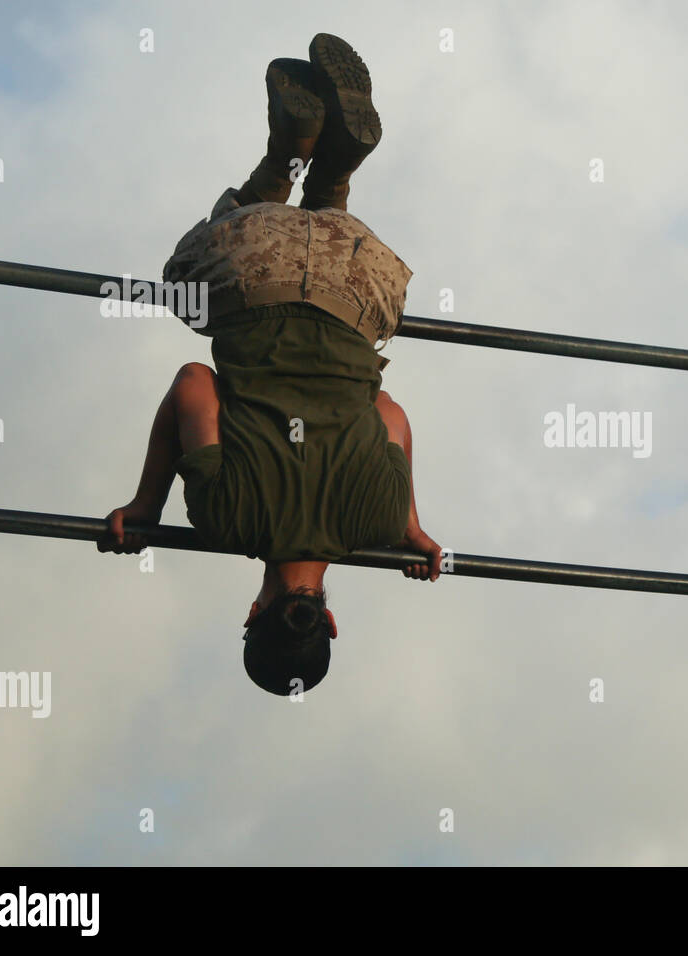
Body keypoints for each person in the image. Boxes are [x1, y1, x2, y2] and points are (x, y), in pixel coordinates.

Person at [97, 34, 442, 696]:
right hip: (252, 271)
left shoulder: (375, 521)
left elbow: (388, 412)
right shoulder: (227, 519)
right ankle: (288, 154)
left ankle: (334, 172)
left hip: (360, 275)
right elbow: (194, 386)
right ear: (252, 615)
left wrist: (409, 525)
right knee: (182, 282)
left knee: (330, 267)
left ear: (331, 622)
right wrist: (147, 503)